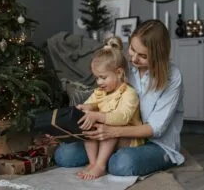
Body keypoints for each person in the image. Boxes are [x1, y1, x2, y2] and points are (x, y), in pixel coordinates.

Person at [54, 19, 185, 176]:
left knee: (122, 163)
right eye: (132, 49)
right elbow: (103, 95)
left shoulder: (172, 76)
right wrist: (89, 110)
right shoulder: (124, 66)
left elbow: (155, 129)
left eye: (142, 56)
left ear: (158, 56)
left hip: (155, 143)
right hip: (114, 136)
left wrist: (112, 132)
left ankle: (108, 160)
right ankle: (101, 160)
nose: (134, 59)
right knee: (64, 154)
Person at [76, 37, 145, 180]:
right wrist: (85, 107)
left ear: (119, 73)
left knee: (108, 124)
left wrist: (97, 116)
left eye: (103, 77)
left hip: (128, 140)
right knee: (89, 124)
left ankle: (101, 165)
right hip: (106, 137)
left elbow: (122, 117)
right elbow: (91, 103)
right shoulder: (100, 92)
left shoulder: (129, 93)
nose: (99, 82)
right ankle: (93, 162)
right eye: (96, 78)